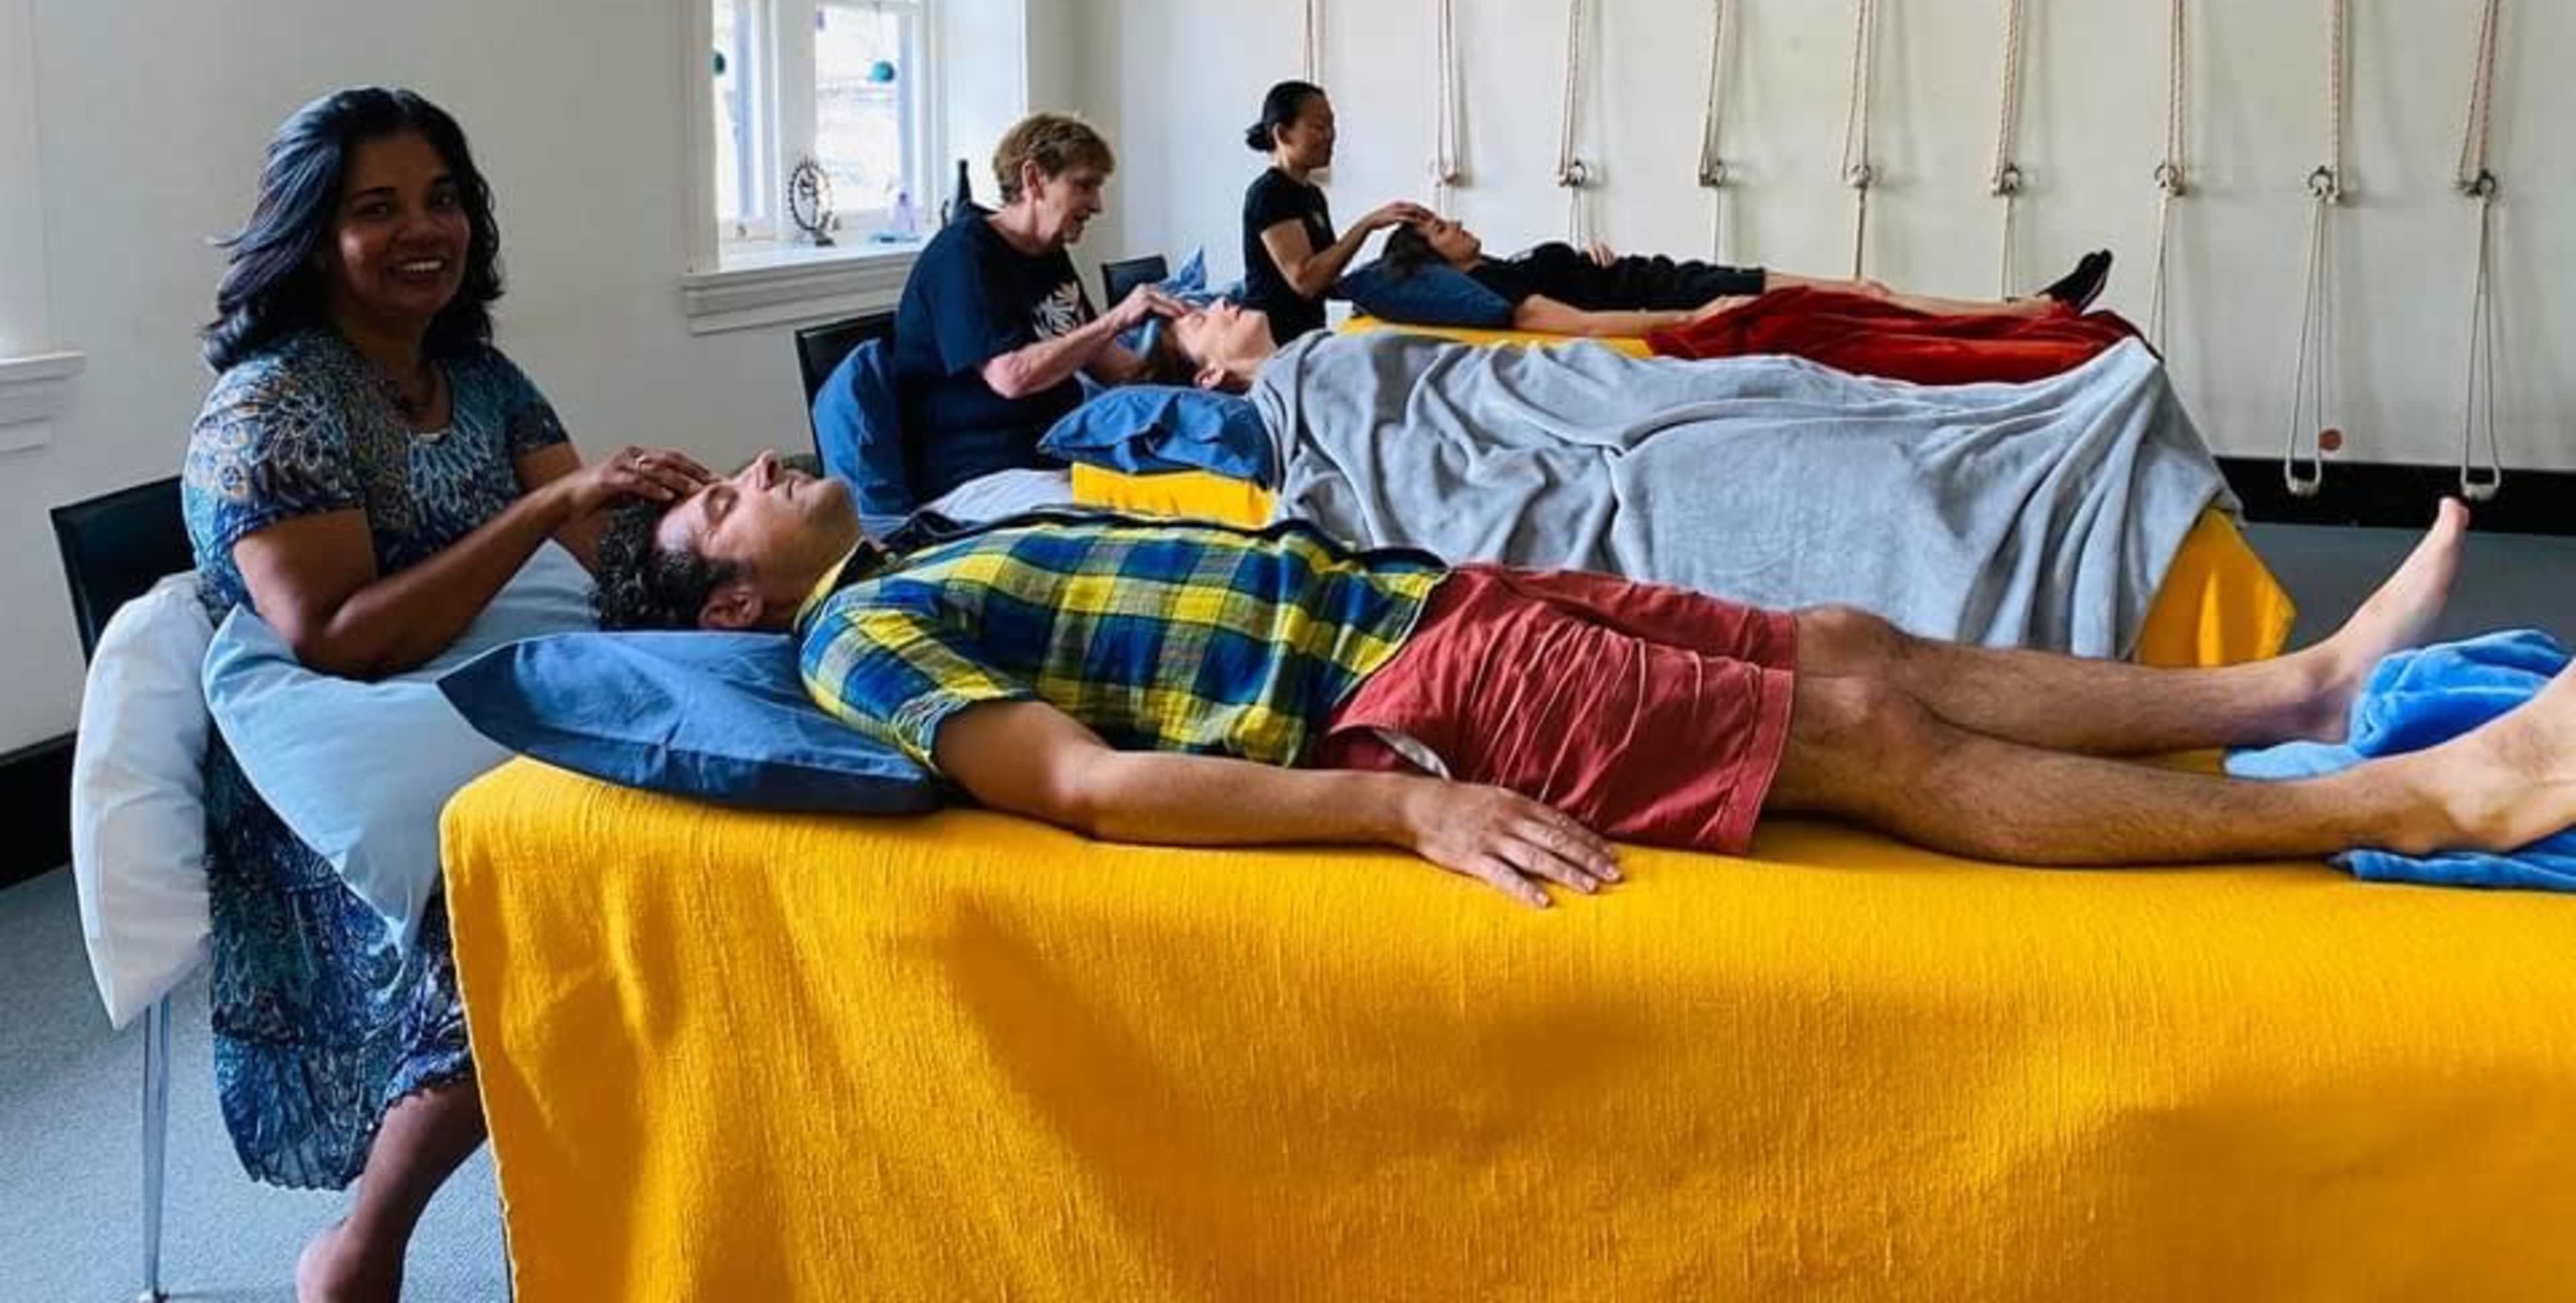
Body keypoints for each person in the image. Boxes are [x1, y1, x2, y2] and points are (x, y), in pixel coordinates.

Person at [594, 472, 2573, 905]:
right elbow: (1089, 788)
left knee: (1856, 651)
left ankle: (2291, 692)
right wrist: (1405, 802)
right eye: (714, 508)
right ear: (721, 610)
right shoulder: (856, 637)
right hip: (1412, 685)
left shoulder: (924, 538)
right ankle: (2397, 800)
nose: (747, 477)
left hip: (1429, 588)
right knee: (1869, 744)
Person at [182, 88, 707, 1303]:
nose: (426, 230)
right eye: (377, 210)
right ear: (314, 236)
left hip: (458, 681)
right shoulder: (274, 404)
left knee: (691, 779)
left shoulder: (476, 372)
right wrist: (543, 514)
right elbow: (337, 640)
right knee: (530, 878)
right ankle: (364, 1246)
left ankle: (636, 1177)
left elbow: (601, 556)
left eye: (444, 199)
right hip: (318, 754)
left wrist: (714, 537)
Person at [892, 113, 1183, 520]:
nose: (1097, 204)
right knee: (1122, 529)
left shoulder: (1049, 254)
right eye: (1084, 185)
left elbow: (1110, 366)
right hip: (979, 476)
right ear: (1034, 179)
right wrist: (1115, 320)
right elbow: (1011, 377)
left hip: (1055, 456)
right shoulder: (963, 253)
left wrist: (1195, 361)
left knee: (1187, 495)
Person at [1375, 215, 2113, 339]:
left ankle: (2028, 309)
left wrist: (1590, 263)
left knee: (1865, 290)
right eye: (1441, 228)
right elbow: (1587, 325)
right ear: (1433, 259)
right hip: (1689, 297)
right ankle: (2029, 312)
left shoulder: (1503, 266)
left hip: (1682, 273)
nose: (1457, 222)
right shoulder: (1496, 295)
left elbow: (1581, 291)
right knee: (1867, 303)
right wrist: (1698, 320)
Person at [1239, 80, 1427, 343]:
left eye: (1331, 126)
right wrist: (1367, 225)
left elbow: (1326, 278)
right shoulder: (1269, 193)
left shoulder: (1313, 196)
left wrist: (1395, 281)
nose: (1330, 136)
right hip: (1271, 341)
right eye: (1318, 127)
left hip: (1308, 334)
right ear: (1283, 134)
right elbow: (1306, 281)